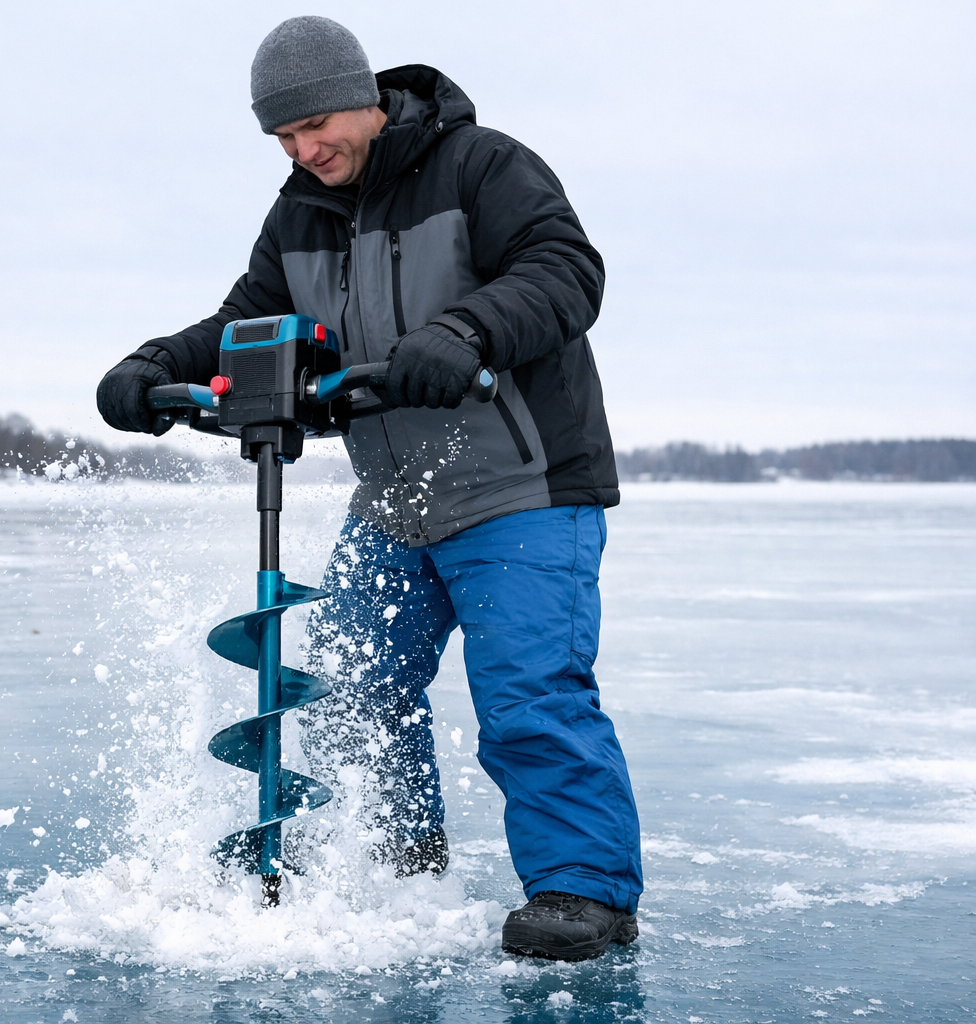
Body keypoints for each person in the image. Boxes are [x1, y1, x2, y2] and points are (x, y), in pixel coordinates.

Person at [95, 15, 642, 962]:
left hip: (524, 491)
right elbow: (246, 323)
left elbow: (567, 271)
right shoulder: (299, 212)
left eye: (315, 129)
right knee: (355, 690)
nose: (306, 152)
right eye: (284, 139)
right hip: (393, 504)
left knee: (528, 697)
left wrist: (466, 331)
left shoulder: (482, 166)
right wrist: (155, 364)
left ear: (364, 97)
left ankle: (580, 892)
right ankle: (399, 864)